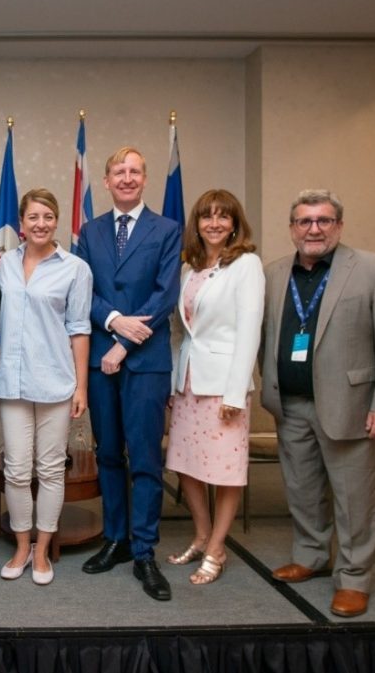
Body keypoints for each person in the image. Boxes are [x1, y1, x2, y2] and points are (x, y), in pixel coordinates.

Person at [260, 189, 375, 618]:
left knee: (354, 497)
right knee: (302, 491)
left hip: (352, 406)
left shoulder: (372, 269)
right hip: (290, 405)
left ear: (339, 226)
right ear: (292, 228)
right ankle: (310, 556)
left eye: (323, 221)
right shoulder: (274, 274)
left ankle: (354, 578)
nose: (314, 229)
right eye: (304, 221)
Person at [75, 147, 181, 601]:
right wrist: (114, 321)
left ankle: (144, 551)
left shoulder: (167, 230)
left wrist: (123, 342)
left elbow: (165, 294)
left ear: (145, 178)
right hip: (101, 360)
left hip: (145, 362)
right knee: (108, 456)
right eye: (118, 170)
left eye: (135, 170)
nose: (127, 177)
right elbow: (83, 289)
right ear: (105, 180)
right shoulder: (89, 231)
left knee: (144, 458)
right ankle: (116, 539)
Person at [165, 189, 264, 585]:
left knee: (225, 471)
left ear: (235, 223)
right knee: (186, 466)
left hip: (224, 386)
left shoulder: (246, 265)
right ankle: (202, 535)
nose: (215, 223)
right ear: (197, 223)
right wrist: (175, 382)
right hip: (188, 383)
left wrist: (235, 392)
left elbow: (249, 330)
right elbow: (179, 332)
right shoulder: (188, 268)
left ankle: (218, 547)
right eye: (207, 216)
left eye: (224, 217)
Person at [0, 188, 92, 586]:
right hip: (12, 384)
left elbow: (80, 329)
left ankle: (42, 550)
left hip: (56, 381)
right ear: (22, 223)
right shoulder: (4, 264)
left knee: (51, 470)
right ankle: (22, 544)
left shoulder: (75, 268)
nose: (40, 223)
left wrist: (81, 387)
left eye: (48, 216)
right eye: (33, 216)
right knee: (18, 470)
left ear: (56, 222)